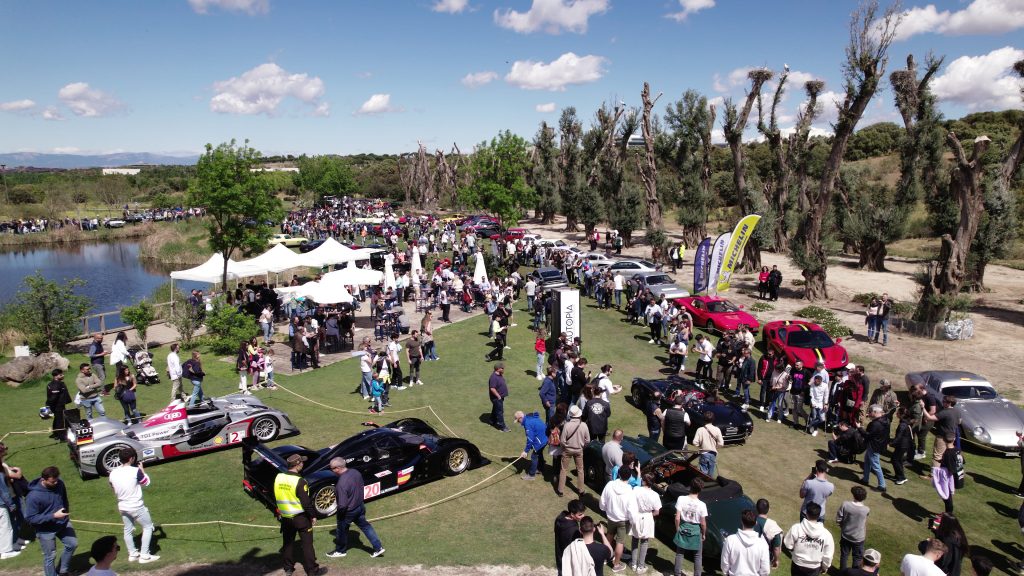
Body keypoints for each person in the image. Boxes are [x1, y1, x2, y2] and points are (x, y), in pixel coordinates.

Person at [274, 454, 327, 576]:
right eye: (302, 462)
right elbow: (306, 503)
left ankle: (288, 568)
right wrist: (313, 515)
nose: (303, 464)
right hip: (301, 518)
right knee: (307, 545)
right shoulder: (300, 481)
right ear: (297, 465)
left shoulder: (279, 477)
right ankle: (313, 571)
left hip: (285, 518)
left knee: (288, 543)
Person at [107, 448, 158, 563]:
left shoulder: (113, 473)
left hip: (123, 506)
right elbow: (146, 482)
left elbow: (112, 486)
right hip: (136, 506)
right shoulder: (135, 471)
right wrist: (142, 471)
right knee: (148, 527)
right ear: (131, 459)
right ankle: (144, 555)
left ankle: (133, 554)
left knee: (128, 530)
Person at [327, 457, 384, 559]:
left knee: (341, 530)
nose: (331, 471)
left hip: (348, 512)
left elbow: (342, 505)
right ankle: (378, 547)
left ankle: (340, 551)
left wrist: (339, 514)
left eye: (332, 469)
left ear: (338, 468)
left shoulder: (341, 484)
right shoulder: (355, 472)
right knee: (366, 526)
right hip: (360, 506)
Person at [25, 466, 77, 576]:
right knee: (50, 556)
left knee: (72, 544)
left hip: (63, 523)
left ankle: (63, 572)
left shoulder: (60, 484)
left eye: (57, 479)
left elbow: (64, 499)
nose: (56, 483)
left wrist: (65, 513)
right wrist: (54, 516)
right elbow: (30, 518)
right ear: (43, 479)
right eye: (53, 482)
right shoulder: (33, 496)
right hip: (45, 530)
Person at [783, 502, 834, 576]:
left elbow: (788, 544)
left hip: (797, 565)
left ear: (806, 513)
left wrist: (794, 554)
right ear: (819, 515)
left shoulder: (796, 528)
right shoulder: (826, 534)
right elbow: (828, 555)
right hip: (814, 568)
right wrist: (825, 567)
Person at [599, 466, 633, 573]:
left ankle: (605, 558)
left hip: (611, 517)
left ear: (619, 473)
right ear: (630, 476)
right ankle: (616, 564)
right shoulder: (629, 490)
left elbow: (602, 500)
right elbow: (631, 509)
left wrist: (604, 509)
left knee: (609, 536)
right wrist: (632, 521)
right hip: (623, 520)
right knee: (620, 542)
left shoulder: (610, 484)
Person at [720, 508, 770, 576]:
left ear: (742, 522)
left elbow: (724, 564)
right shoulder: (762, 544)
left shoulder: (730, 540)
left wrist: (727, 573)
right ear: (756, 523)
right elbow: (765, 570)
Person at [629, 473, 662, 574]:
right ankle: (640, 566)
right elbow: (657, 511)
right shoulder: (655, 495)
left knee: (635, 539)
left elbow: (631, 503)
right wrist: (649, 515)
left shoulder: (636, 490)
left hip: (637, 515)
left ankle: (633, 564)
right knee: (644, 542)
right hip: (647, 517)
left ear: (644, 481)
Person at [674, 478, 708, 576]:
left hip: (683, 527)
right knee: (697, 556)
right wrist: (703, 534)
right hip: (696, 530)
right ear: (700, 489)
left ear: (690, 487)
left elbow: (677, 518)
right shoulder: (702, 505)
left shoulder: (681, 498)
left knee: (680, 553)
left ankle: (677, 573)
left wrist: (677, 528)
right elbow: (703, 523)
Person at [557, 405, 590, 497]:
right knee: (580, 470)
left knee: (563, 469)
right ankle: (581, 490)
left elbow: (562, 440)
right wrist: (582, 446)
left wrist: (565, 447)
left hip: (567, 450)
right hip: (579, 450)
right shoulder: (584, 425)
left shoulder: (567, 425)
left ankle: (560, 490)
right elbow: (588, 440)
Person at [836, 486, 869, 570]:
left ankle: (842, 573)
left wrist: (843, 527)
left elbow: (839, 519)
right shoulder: (866, 509)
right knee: (857, 558)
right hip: (859, 538)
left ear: (854, 495)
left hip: (846, 535)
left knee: (844, 555)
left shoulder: (845, 504)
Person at [555, 500, 586, 576]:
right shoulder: (573, 531)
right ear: (572, 514)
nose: (583, 516)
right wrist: (583, 535)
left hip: (560, 555)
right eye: (580, 515)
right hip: (569, 562)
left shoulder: (560, 518)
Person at [516, 411, 548, 480]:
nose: (518, 422)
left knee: (534, 456)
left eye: (518, 420)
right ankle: (540, 468)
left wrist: (526, 451)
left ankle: (531, 475)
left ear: (521, 418)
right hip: (545, 438)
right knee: (539, 453)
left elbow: (530, 439)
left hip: (541, 440)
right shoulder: (529, 418)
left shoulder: (527, 423)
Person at [692, 411, 725, 477]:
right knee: (710, 473)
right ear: (713, 419)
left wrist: (701, 445)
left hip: (703, 453)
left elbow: (694, 442)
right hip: (713, 454)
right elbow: (721, 443)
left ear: (703, 419)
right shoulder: (717, 429)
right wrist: (715, 447)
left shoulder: (700, 429)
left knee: (703, 473)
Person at [754, 499, 783, 570]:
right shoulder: (773, 525)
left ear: (756, 509)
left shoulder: (748, 520)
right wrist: (776, 560)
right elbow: (776, 548)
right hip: (764, 557)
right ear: (768, 509)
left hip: (749, 554)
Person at [45, 369, 72, 440]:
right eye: (61, 375)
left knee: (57, 419)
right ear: (55, 376)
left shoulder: (60, 383)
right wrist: (49, 406)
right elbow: (54, 397)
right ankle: (62, 437)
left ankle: (56, 434)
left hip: (60, 405)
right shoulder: (55, 384)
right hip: (57, 406)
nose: (63, 375)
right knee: (60, 421)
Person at [488, 363, 510, 432]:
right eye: (502, 368)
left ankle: (491, 421)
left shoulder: (499, 375)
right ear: (498, 369)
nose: (503, 369)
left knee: (495, 409)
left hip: (500, 397)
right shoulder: (493, 377)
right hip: (497, 398)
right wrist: (498, 396)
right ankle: (502, 427)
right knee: (500, 412)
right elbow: (492, 388)